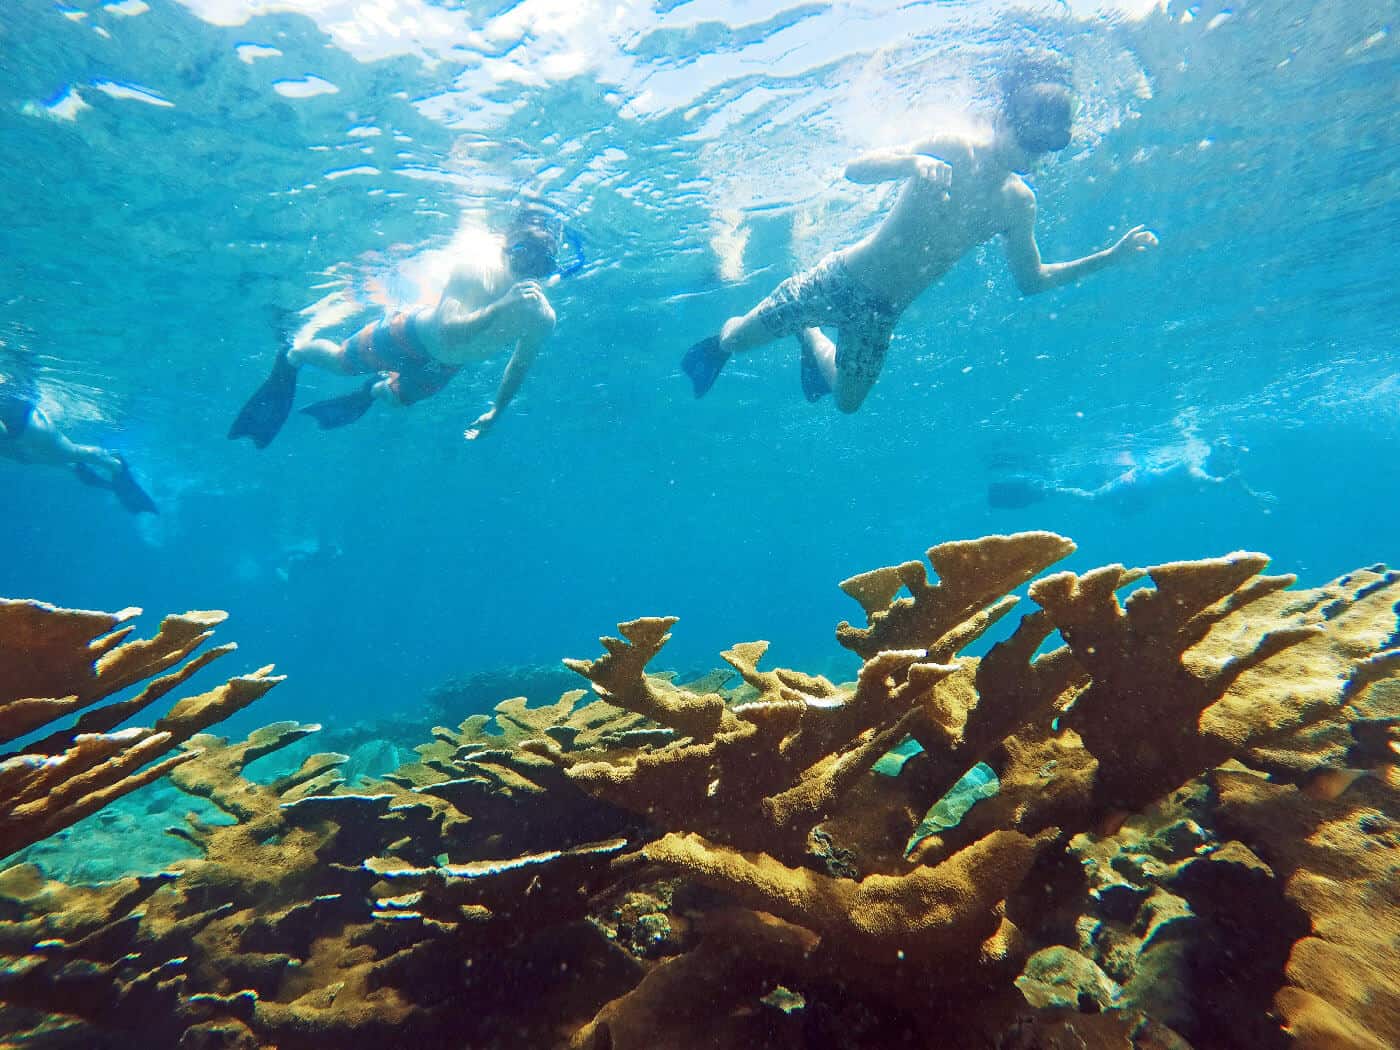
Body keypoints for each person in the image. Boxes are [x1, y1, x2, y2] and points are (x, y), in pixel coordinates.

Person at [681, 72, 1160, 412]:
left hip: (882, 314)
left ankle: (810, 336)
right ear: (1002, 118)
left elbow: (1030, 282)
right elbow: (855, 169)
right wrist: (908, 164)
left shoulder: (1019, 204)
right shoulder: (952, 145)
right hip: (837, 280)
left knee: (847, 404)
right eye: (1032, 134)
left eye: (1049, 144)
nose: (1036, 150)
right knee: (736, 343)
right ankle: (745, 334)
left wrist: (1110, 257)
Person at [229, 202, 567, 448]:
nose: (528, 269)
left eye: (540, 264)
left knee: (392, 400)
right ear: (508, 247)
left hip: (445, 365)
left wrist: (498, 409)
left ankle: (373, 390)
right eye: (523, 255)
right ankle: (295, 354)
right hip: (408, 335)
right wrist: (502, 306)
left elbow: (519, 365)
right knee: (340, 364)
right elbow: (450, 331)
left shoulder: (541, 317)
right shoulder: (475, 268)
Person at [0, 374, 157, 514]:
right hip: (14, 427)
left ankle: (115, 465)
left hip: (25, 424)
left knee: (69, 453)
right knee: (30, 459)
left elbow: (3, 432)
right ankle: (87, 473)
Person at [987, 437, 1275, 513]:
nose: (1230, 460)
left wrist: (1248, 491)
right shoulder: (1193, 465)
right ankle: (1043, 489)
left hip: (1144, 495)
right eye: (1227, 453)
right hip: (1134, 485)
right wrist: (1234, 482)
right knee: (1092, 498)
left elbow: (1223, 480)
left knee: (1100, 503)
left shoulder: (1206, 464)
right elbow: (1208, 481)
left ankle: (1045, 489)